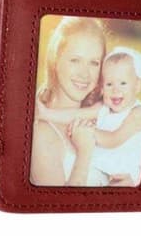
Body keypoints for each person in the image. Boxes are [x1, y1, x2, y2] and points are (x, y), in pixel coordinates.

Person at [35, 46, 141, 187]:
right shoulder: (104, 107)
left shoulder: (138, 112)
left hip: (124, 174)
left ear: (137, 86)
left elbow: (114, 139)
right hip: (103, 172)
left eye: (123, 83)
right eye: (109, 84)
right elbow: (77, 114)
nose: (115, 90)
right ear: (102, 88)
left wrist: (89, 132)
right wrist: (47, 114)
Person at [30, 16, 106, 186]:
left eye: (94, 63)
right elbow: (57, 203)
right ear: (55, 60)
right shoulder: (42, 134)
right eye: (75, 60)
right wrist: (84, 153)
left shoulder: (103, 115)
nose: (85, 74)